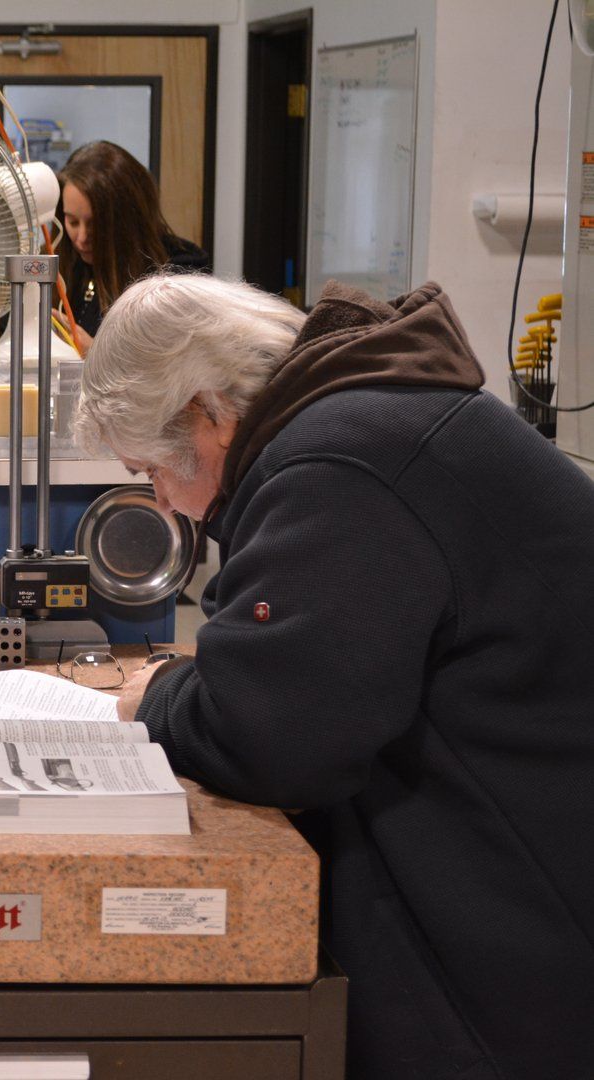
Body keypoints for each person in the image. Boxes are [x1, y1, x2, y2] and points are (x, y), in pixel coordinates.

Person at [75, 272, 594, 1078]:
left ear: (206, 413)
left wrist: (158, 698)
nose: (166, 502)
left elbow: (271, 736)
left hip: (526, 948)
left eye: (152, 470)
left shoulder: (339, 463)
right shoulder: (368, 418)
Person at [54, 140, 208, 352]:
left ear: (127, 220)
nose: (81, 238)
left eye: (96, 224)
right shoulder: (60, 258)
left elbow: (176, 369)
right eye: (72, 222)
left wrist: (96, 355)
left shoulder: (177, 273)